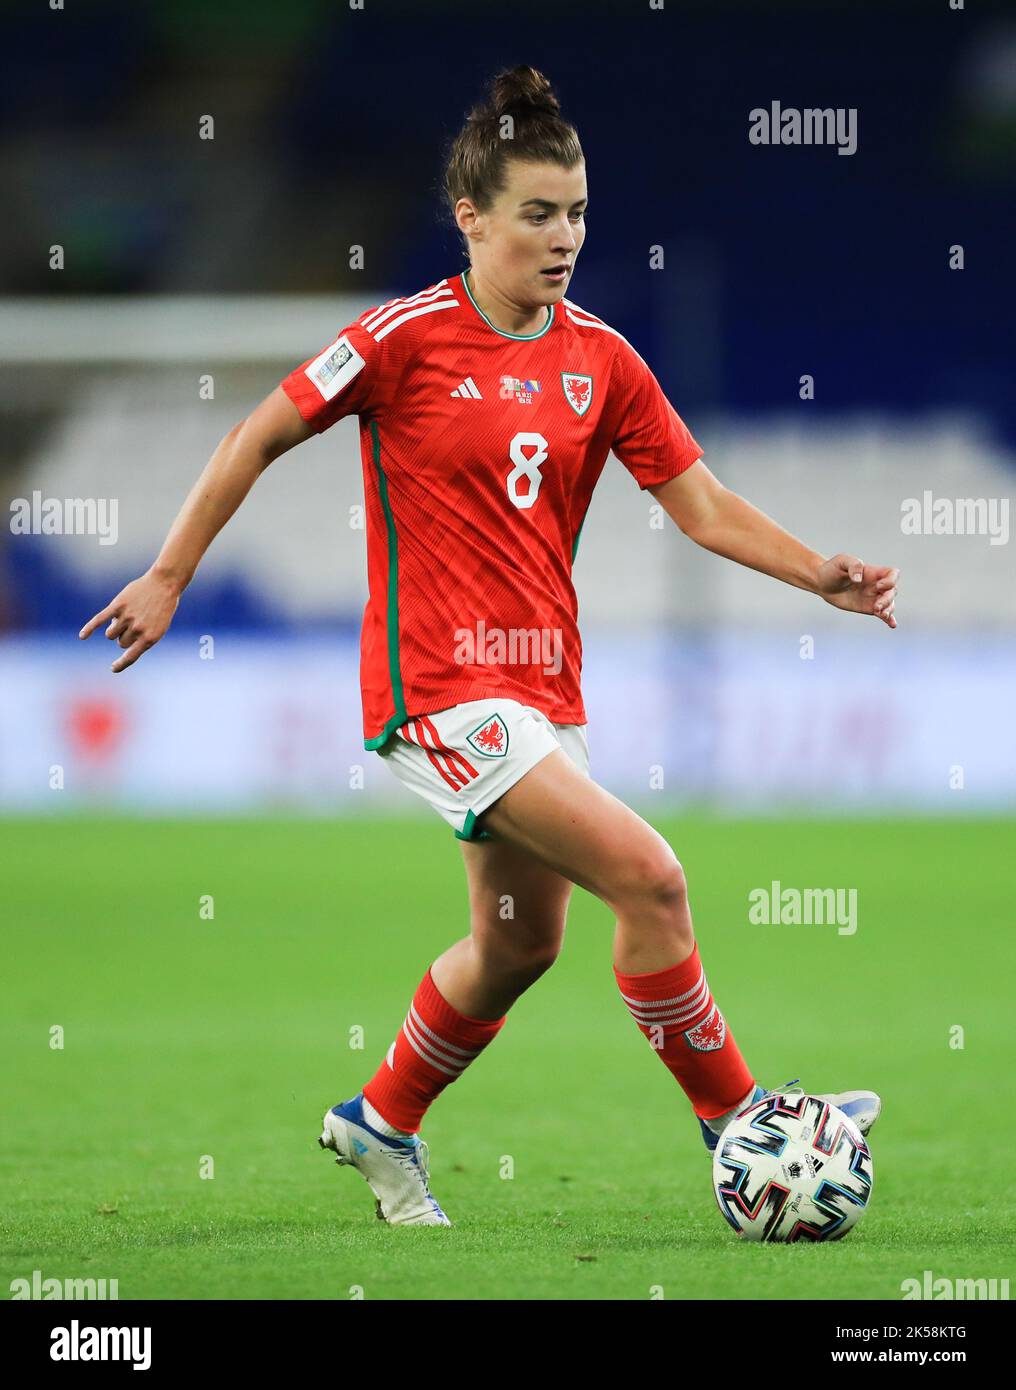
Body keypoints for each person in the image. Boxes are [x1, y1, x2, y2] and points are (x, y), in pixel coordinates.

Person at [80, 65, 897, 1228]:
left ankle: (378, 1118)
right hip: (439, 689)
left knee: (516, 946)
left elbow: (701, 505)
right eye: (535, 213)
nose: (561, 237)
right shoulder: (401, 338)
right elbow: (256, 434)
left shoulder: (601, 359)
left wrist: (818, 571)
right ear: (471, 216)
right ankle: (748, 1128)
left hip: (539, 689)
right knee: (651, 877)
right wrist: (169, 573)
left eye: (574, 213)